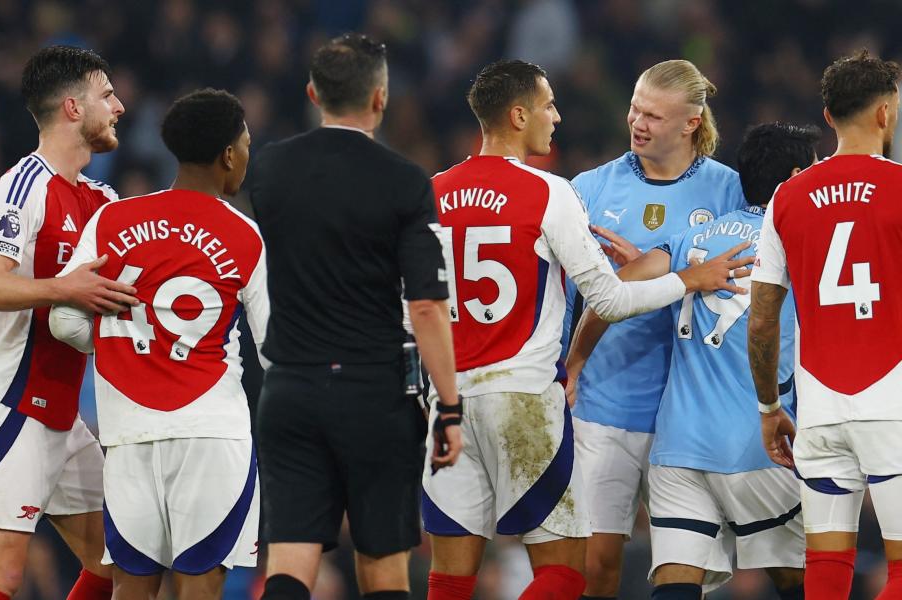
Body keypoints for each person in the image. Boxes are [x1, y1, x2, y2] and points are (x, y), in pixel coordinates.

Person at [422, 59, 753, 600]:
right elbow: (607, 297)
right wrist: (680, 275)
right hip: (558, 398)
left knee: (451, 578)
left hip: (462, 400)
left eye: (653, 113)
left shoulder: (434, 191)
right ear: (519, 113)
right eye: (549, 105)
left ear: (691, 122)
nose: (558, 116)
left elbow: (417, 307)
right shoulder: (568, 190)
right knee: (573, 572)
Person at [247, 32, 462, 600]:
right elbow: (425, 305)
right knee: (384, 570)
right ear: (381, 98)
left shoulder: (269, 170)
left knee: (289, 561)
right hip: (375, 394)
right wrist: (450, 406)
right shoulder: (405, 181)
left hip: (290, 388)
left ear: (314, 92)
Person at [566, 122, 819, 600]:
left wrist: (575, 361)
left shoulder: (692, 238)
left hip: (678, 449)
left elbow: (612, 295)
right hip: (760, 443)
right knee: (803, 580)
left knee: (677, 583)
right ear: (795, 177)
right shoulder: (798, 246)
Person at [49, 88, 264, 599]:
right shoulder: (243, 233)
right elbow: (276, 345)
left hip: (128, 437)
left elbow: (63, 319)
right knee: (200, 588)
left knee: (131, 587)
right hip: (212, 435)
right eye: (248, 146)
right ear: (229, 155)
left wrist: (121, 341)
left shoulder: (110, 221)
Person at [563, 59, 748, 599]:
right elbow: (566, 295)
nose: (637, 123)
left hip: (689, 407)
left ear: (691, 122)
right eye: (634, 109)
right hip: (605, 401)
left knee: (685, 572)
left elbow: (739, 290)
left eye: (653, 115)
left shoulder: (728, 191)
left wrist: (651, 267)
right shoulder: (589, 189)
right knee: (593, 565)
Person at [0, 45, 134, 600]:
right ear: (73, 108)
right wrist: (65, 288)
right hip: (10, 399)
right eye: (107, 95)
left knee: (120, 559)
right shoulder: (21, 188)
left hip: (61, 412)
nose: (120, 106)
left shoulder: (103, 201)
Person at [751, 50, 902, 600]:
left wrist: (770, 408)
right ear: (886, 114)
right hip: (893, 406)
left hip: (818, 410)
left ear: (828, 116)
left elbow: (763, 320)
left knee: (827, 575)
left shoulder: (786, 199)